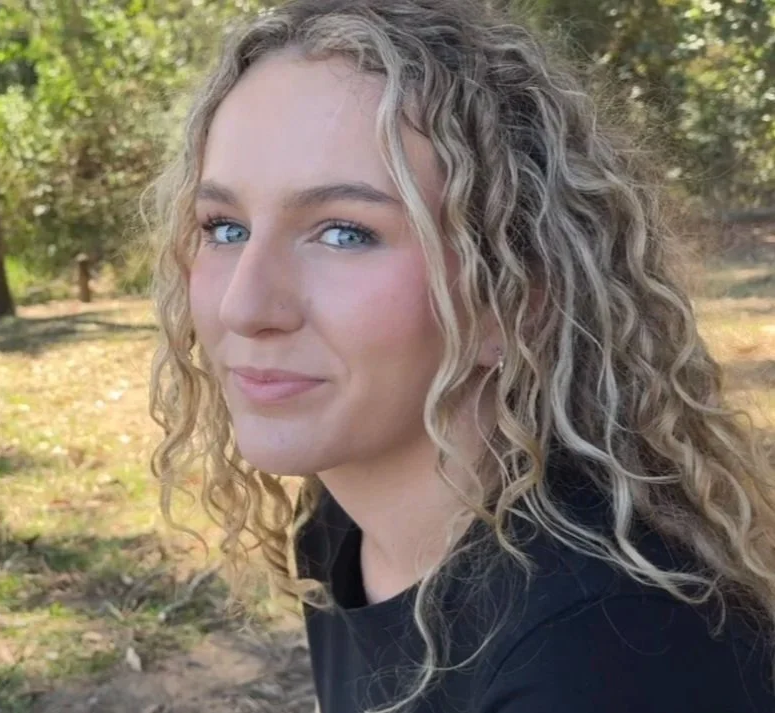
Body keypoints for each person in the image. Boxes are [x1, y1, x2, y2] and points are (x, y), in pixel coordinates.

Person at [145, 1, 775, 711]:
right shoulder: (339, 530)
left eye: (345, 233)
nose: (244, 306)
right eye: (224, 228)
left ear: (514, 300)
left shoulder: (607, 651)